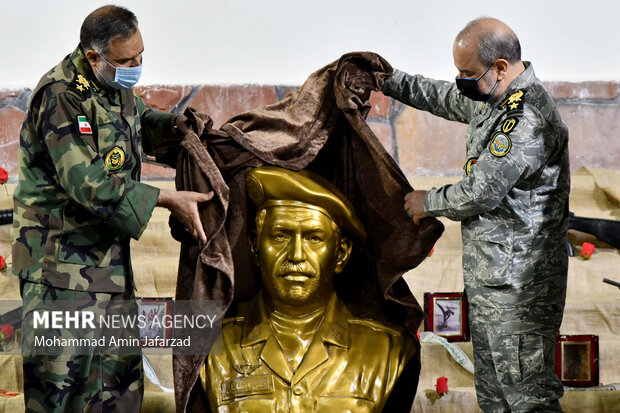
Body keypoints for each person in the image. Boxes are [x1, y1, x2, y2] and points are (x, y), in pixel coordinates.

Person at [12, 5, 212, 412]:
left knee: (118, 392)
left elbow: (139, 123)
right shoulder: (59, 95)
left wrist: (179, 130)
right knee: (61, 395)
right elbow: (86, 182)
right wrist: (164, 198)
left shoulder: (111, 83)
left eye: (141, 56)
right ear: (93, 57)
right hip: (57, 274)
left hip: (108, 269)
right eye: (127, 60)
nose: (136, 66)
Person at [382, 17, 570, 412]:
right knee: (495, 399)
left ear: (500, 68)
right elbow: (440, 96)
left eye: (467, 73)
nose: (460, 80)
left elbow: (481, 191)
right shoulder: (496, 99)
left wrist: (426, 201)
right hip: (493, 283)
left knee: (528, 399)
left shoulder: (526, 118)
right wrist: (387, 78)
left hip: (521, 291)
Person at [200, 166, 417, 412]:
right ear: (254, 247)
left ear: (341, 254)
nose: (296, 255)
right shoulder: (207, 346)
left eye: (314, 238)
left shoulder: (389, 351)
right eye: (280, 236)